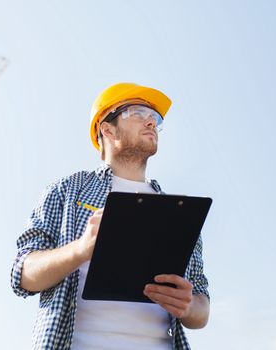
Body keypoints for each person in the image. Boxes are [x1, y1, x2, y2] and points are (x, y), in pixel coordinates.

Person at [11, 82, 210, 349]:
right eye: (139, 113)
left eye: (155, 118)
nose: (151, 122)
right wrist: (80, 250)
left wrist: (188, 306)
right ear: (107, 128)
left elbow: (202, 309)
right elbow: (22, 275)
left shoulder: (178, 213)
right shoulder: (66, 191)